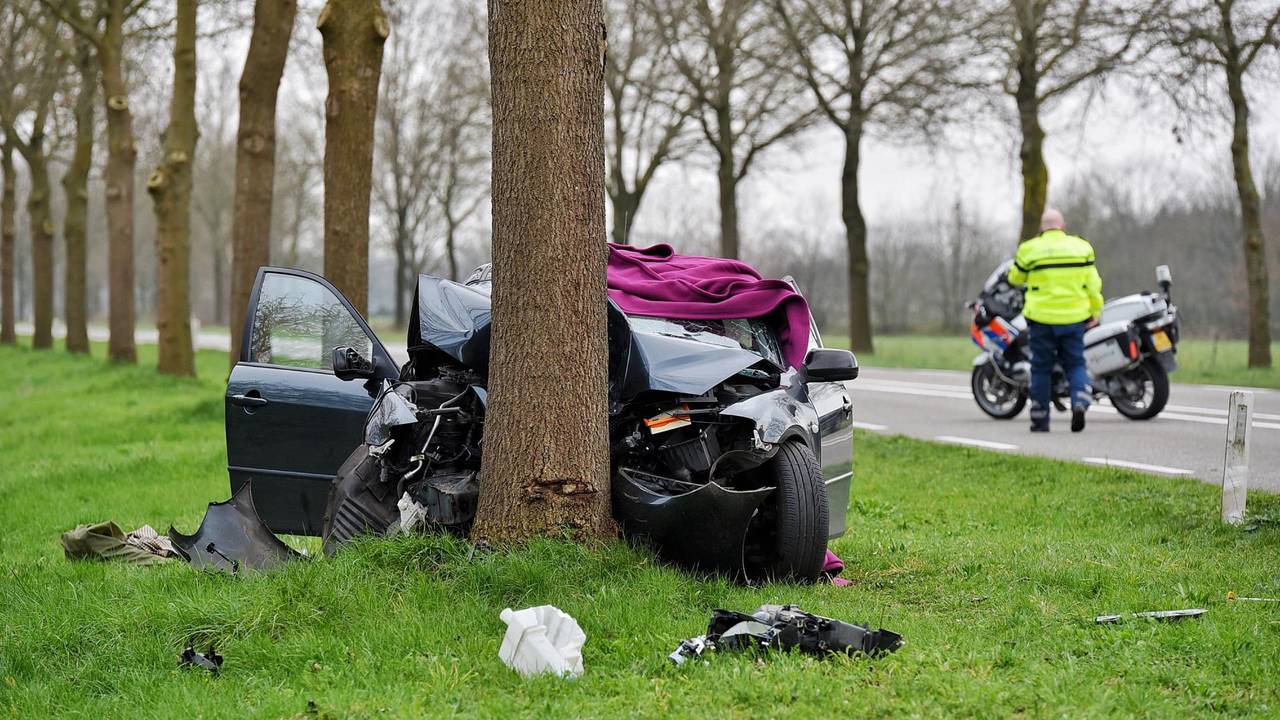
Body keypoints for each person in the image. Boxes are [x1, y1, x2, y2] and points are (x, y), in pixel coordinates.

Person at [1006, 208, 1103, 433]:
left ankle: (1040, 419)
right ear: (1063, 226)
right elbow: (1093, 284)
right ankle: (1079, 401)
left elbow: (1015, 277)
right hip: (1074, 317)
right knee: (1076, 363)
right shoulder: (1081, 248)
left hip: (1040, 319)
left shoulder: (1029, 249)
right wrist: (1096, 310)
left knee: (1041, 368)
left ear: (1042, 228)